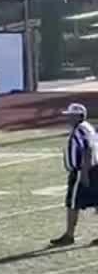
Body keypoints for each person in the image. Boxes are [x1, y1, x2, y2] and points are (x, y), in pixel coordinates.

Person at [53, 102, 97, 245]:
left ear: (78, 116)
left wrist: (84, 172)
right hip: (92, 169)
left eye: (71, 115)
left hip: (82, 171)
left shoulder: (80, 129)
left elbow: (88, 149)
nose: (68, 118)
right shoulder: (87, 127)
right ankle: (69, 234)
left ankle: (69, 235)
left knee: (72, 203)